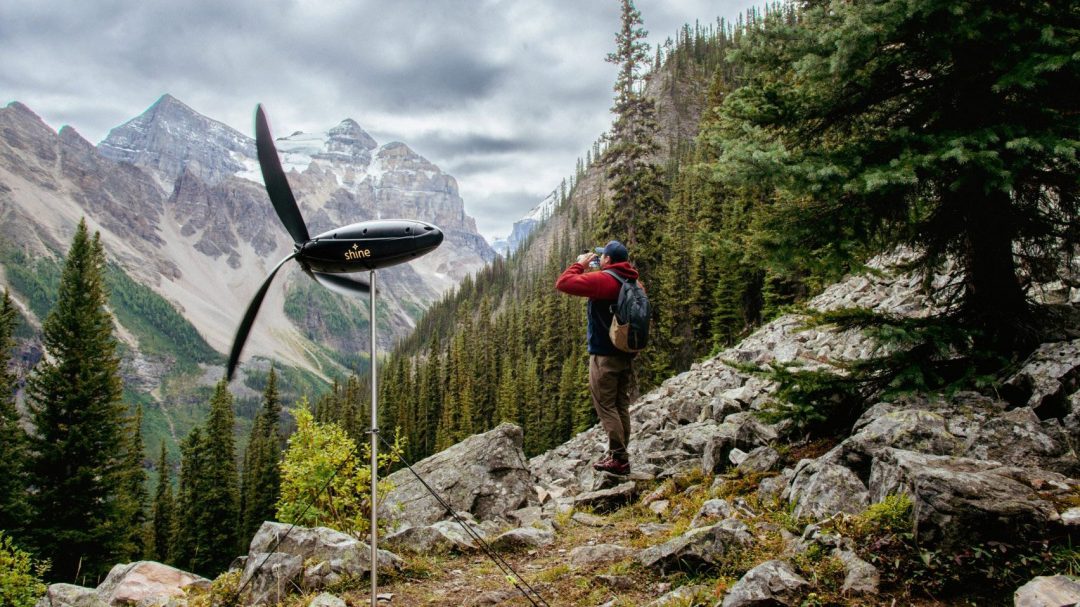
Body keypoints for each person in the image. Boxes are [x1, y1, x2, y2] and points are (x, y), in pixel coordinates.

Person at [555, 240, 640, 475]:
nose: (599, 260)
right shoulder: (632, 280)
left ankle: (619, 458)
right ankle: (620, 454)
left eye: (603, 257)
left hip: (605, 355)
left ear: (609, 261)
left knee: (605, 405)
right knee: (621, 404)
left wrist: (579, 265)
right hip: (626, 353)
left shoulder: (605, 280)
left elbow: (563, 283)